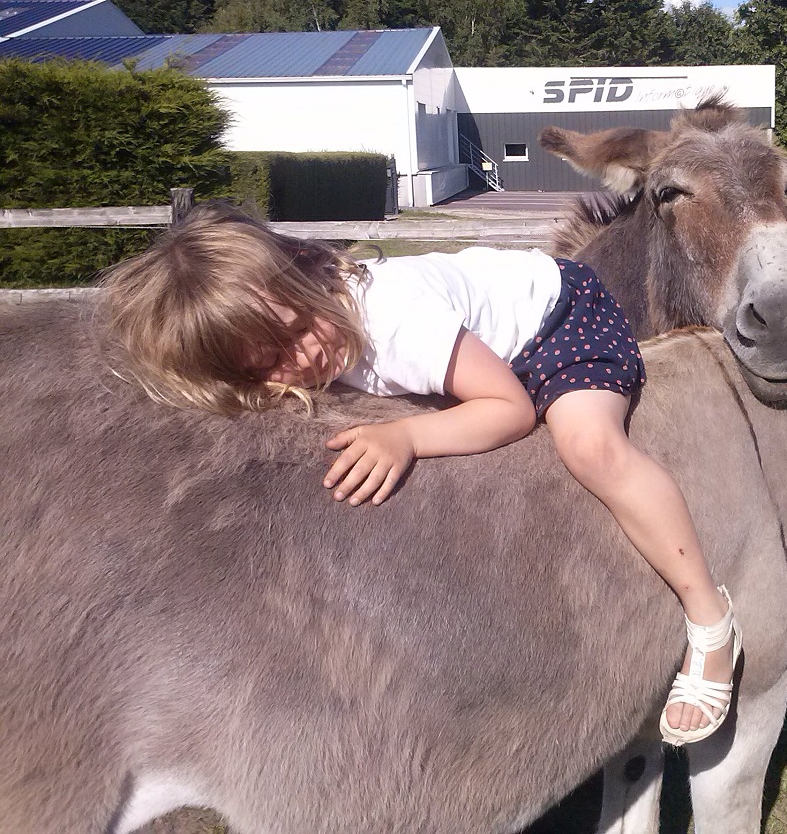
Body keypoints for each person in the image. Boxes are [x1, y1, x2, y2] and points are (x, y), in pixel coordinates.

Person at [99, 201, 741, 745]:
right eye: (264, 366)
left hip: (561, 319)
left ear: (304, 276)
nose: (299, 361)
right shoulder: (318, 330)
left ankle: (710, 618)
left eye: (295, 332)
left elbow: (511, 410)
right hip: (497, 326)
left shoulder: (397, 321)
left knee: (589, 447)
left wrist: (407, 434)